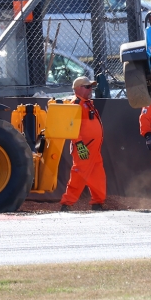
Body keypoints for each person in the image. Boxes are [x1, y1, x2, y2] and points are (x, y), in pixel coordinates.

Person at [59, 77, 107, 211]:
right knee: (78, 176)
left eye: (91, 86)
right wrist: (79, 145)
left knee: (98, 176)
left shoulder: (87, 103)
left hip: (93, 149)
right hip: (84, 148)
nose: (90, 89)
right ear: (78, 89)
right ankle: (66, 204)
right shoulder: (76, 104)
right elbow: (71, 127)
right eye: (87, 87)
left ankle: (98, 202)